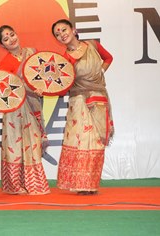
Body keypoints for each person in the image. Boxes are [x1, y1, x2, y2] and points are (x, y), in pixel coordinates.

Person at [51, 19, 114, 195]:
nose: (62, 34)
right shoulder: (64, 59)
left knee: (95, 141)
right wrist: (46, 89)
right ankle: (80, 184)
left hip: (98, 97)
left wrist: (100, 71)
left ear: (73, 29)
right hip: (78, 100)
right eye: (57, 34)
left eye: (64, 29)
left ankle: (91, 184)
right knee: (80, 141)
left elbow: (109, 58)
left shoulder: (93, 45)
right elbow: (62, 84)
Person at [0, 25, 50, 195]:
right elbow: (5, 90)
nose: (11, 39)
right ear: (3, 45)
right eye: (6, 39)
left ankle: (35, 184)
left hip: (32, 105)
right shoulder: (5, 63)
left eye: (12, 34)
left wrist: (41, 87)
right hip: (14, 109)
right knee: (14, 144)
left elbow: (42, 74)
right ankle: (14, 185)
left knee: (32, 143)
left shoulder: (33, 53)